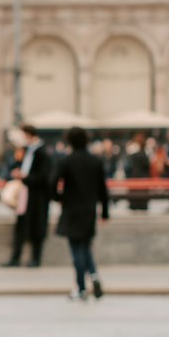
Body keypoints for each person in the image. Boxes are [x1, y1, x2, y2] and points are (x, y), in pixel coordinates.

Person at [56, 125, 110, 301]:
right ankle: (94, 276)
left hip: (71, 209)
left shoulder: (67, 161)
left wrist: (59, 197)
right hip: (89, 209)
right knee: (86, 246)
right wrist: (105, 212)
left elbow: (52, 181)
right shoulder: (95, 161)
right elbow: (103, 189)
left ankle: (80, 287)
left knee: (76, 249)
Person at [5, 124, 53, 267]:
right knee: (21, 225)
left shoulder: (42, 152)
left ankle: (35, 258)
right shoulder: (26, 151)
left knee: (36, 226)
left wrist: (24, 177)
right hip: (25, 193)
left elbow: (44, 176)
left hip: (37, 196)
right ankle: (16, 257)